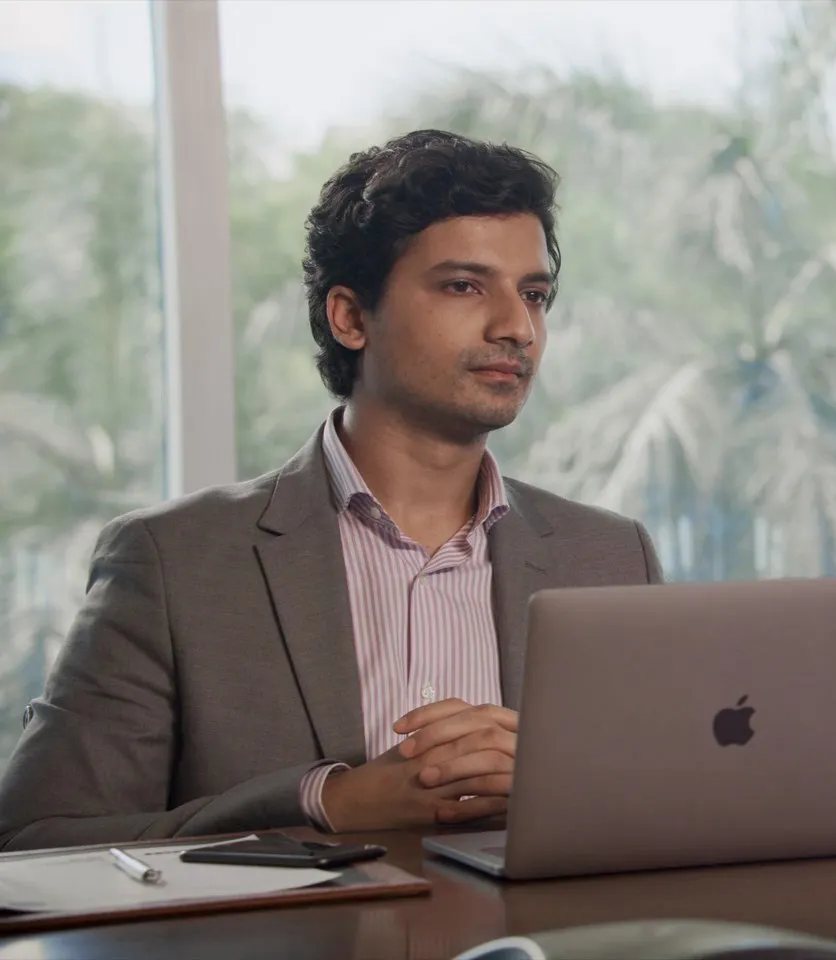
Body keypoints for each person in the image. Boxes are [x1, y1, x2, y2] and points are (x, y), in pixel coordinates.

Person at [0, 130, 662, 851]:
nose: (517, 328)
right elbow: (37, 844)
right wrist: (330, 802)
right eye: (464, 286)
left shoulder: (611, 558)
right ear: (349, 317)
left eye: (534, 294)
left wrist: (557, 784)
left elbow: (671, 813)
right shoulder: (173, 562)